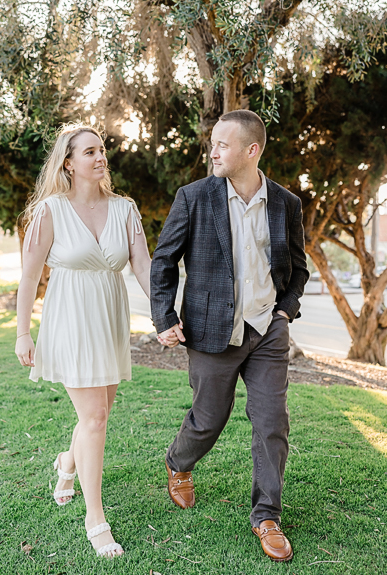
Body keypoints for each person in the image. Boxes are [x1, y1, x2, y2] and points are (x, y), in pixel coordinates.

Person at [151, 109, 309, 563]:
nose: (213, 151)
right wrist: (164, 317)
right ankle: (178, 463)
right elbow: (163, 262)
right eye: (213, 143)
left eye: (223, 144)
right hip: (211, 331)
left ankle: (267, 516)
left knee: (271, 422)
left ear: (251, 150)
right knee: (208, 418)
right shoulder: (193, 197)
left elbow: (297, 269)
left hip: (267, 331)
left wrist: (285, 309)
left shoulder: (285, 204)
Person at [15, 123, 151, 558]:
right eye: (89, 151)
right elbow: (29, 276)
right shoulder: (50, 211)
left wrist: (167, 314)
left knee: (99, 412)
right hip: (70, 318)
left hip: (110, 317)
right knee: (94, 418)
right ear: (68, 163)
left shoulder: (126, 209)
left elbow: (145, 269)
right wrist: (23, 332)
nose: (100, 157)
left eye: (102, 150)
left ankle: (67, 462)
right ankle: (96, 518)